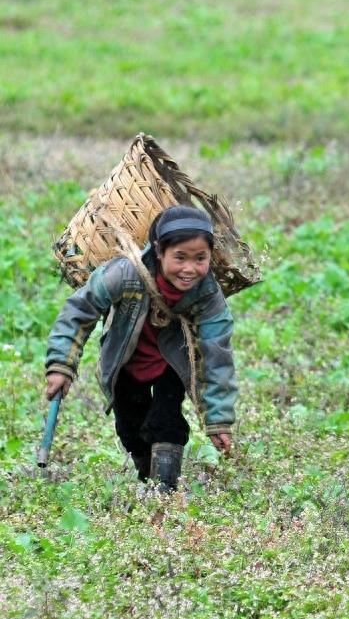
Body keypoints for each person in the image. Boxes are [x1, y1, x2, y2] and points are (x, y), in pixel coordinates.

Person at [44, 206, 237, 492]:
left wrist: (218, 418)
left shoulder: (207, 294)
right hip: (125, 361)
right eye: (179, 257)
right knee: (130, 430)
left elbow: (217, 355)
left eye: (200, 259)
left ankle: (164, 493)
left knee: (167, 421)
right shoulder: (123, 273)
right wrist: (62, 365)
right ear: (159, 252)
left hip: (171, 362)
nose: (189, 269)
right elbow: (79, 312)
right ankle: (148, 474)